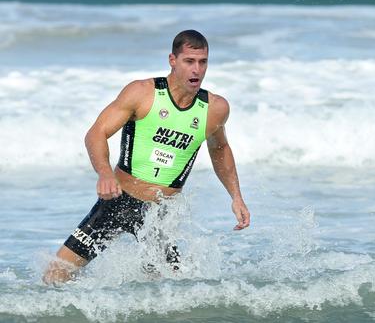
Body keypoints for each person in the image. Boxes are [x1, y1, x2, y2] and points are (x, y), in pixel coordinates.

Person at [43, 30, 250, 284]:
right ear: (172, 60)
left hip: (160, 216)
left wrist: (236, 196)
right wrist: (105, 173)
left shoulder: (215, 109)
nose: (197, 69)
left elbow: (220, 149)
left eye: (203, 62)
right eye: (189, 61)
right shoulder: (142, 93)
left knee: (174, 292)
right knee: (55, 276)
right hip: (117, 203)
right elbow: (96, 133)